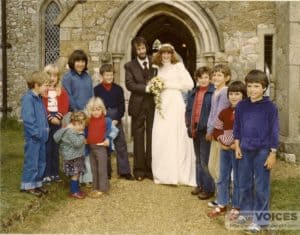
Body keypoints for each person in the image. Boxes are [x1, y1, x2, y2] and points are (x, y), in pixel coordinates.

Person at [233, 70, 279, 233]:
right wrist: (237, 146)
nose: (252, 89)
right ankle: (246, 212)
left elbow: (274, 131)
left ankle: (260, 220)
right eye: (250, 86)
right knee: (244, 183)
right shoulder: (241, 106)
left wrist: (272, 153)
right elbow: (237, 127)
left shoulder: (270, 107)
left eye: (256, 86)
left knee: (261, 186)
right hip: (244, 149)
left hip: (262, 151)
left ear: (264, 88)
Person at [151, 43, 196, 186]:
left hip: (175, 102)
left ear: (172, 54)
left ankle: (178, 173)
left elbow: (189, 84)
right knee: (162, 135)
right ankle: (164, 172)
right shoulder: (158, 67)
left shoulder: (179, 66)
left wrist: (169, 86)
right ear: (160, 54)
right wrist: (155, 87)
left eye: (168, 53)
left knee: (176, 133)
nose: (165, 55)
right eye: (163, 53)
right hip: (162, 103)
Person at [207, 80, 246, 218]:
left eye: (237, 94)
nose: (233, 97)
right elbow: (217, 130)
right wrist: (222, 142)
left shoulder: (246, 112)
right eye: (231, 94)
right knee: (222, 177)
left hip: (238, 150)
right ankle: (222, 204)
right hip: (225, 149)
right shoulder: (224, 112)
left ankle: (236, 206)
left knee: (238, 179)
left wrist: (237, 144)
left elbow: (247, 131)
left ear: (243, 95)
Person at [94, 64, 134, 180]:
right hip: (103, 118)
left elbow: (121, 105)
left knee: (121, 144)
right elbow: (96, 105)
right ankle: (106, 172)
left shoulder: (118, 89)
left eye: (111, 75)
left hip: (116, 118)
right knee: (105, 145)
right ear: (102, 76)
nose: (109, 77)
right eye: (107, 75)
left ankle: (124, 171)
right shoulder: (97, 89)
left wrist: (117, 119)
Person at [125, 36, 156, 181]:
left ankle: (150, 169)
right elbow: (129, 84)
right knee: (138, 137)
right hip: (137, 105)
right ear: (135, 50)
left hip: (154, 105)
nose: (141, 51)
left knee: (152, 137)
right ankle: (138, 170)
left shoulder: (154, 61)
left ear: (146, 48)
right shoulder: (129, 66)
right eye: (139, 49)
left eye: (143, 48)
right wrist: (146, 88)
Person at [62, 49, 94, 186]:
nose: (80, 64)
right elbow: (68, 96)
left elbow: (92, 94)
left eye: (83, 61)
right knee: (76, 147)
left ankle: (86, 177)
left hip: (87, 115)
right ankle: (76, 177)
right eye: (78, 61)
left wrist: (90, 111)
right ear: (73, 62)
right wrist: (77, 113)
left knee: (86, 145)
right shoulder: (68, 77)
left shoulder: (87, 76)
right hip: (75, 116)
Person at [20, 71, 51, 197]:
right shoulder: (28, 99)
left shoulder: (39, 98)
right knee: (32, 161)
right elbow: (28, 119)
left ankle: (37, 183)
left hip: (42, 137)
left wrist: (46, 130)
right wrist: (36, 133)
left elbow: (43, 116)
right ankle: (28, 185)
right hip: (34, 138)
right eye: (45, 85)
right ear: (36, 85)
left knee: (41, 161)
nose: (47, 88)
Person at [186, 66, 215, 196]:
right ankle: (200, 184)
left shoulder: (212, 93)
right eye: (200, 78)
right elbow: (188, 110)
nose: (203, 80)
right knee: (197, 159)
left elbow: (213, 113)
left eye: (206, 77)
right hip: (195, 128)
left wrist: (211, 130)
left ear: (210, 79)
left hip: (205, 130)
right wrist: (188, 124)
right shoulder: (194, 92)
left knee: (205, 160)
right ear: (197, 79)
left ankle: (208, 188)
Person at [205, 64, 231, 203]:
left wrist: (211, 131)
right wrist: (209, 129)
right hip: (214, 132)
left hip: (220, 134)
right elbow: (211, 113)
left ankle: (222, 198)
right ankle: (221, 195)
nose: (215, 77)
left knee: (217, 167)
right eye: (214, 74)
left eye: (219, 75)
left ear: (227, 78)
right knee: (212, 166)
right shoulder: (216, 91)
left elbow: (219, 115)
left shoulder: (224, 92)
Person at [42, 64, 69, 184]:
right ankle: (46, 173)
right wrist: (49, 118)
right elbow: (42, 106)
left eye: (55, 75)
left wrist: (58, 117)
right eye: (49, 75)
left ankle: (55, 172)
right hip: (46, 122)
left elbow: (64, 106)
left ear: (58, 78)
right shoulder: (43, 92)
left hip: (57, 121)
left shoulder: (61, 92)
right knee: (47, 148)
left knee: (55, 147)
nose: (52, 78)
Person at [85, 97, 117, 197]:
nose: (96, 112)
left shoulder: (106, 120)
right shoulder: (88, 121)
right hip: (91, 148)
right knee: (94, 169)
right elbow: (85, 132)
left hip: (101, 147)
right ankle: (95, 187)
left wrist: (108, 139)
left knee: (102, 169)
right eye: (93, 110)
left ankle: (103, 188)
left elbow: (114, 131)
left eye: (98, 109)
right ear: (90, 110)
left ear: (102, 109)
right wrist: (84, 139)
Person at [53, 111, 87, 199]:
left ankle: (76, 189)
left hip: (75, 156)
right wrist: (82, 135)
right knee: (75, 175)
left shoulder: (73, 130)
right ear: (74, 123)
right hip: (72, 157)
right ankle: (74, 192)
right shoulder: (70, 132)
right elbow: (77, 143)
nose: (83, 127)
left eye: (83, 125)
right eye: (81, 125)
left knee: (77, 173)